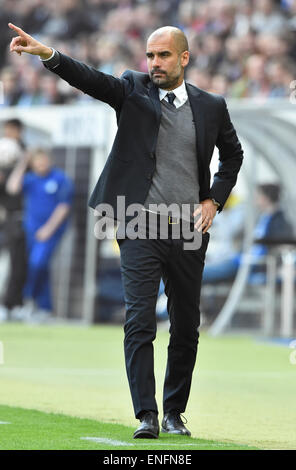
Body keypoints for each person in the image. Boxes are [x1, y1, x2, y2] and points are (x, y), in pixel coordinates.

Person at [8, 22, 243, 437]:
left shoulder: (211, 105)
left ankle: (174, 412)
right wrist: (48, 55)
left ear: (184, 58)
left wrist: (213, 200)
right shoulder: (132, 89)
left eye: (163, 55)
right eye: (150, 55)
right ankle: (147, 415)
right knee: (139, 319)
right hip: (138, 224)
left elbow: (232, 156)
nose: (154, 62)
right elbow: (89, 80)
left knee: (186, 323)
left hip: (188, 229)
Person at [6, 147, 74, 322]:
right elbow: (12, 188)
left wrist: (48, 229)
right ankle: (44, 307)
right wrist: (22, 163)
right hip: (32, 230)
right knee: (37, 266)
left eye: (43, 160)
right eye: (37, 161)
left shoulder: (60, 179)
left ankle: (30, 300)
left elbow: (63, 207)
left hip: (50, 231)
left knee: (38, 263)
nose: (41, 164)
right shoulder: (30, 179)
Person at [202, 183, 294, 284]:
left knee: (205, 273)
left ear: (266, 198)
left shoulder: (279, 222)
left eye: (258, 196)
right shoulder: (263, 218)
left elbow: (278, 246)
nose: (255, 200)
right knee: (211, 267)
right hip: (244, 259)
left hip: (254, 262)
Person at [0, 120, 27, 321]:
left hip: (20, 217)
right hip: (7, 216)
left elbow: (15, 189)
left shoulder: (26, 155)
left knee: (19, 263)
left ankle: (12, 304)